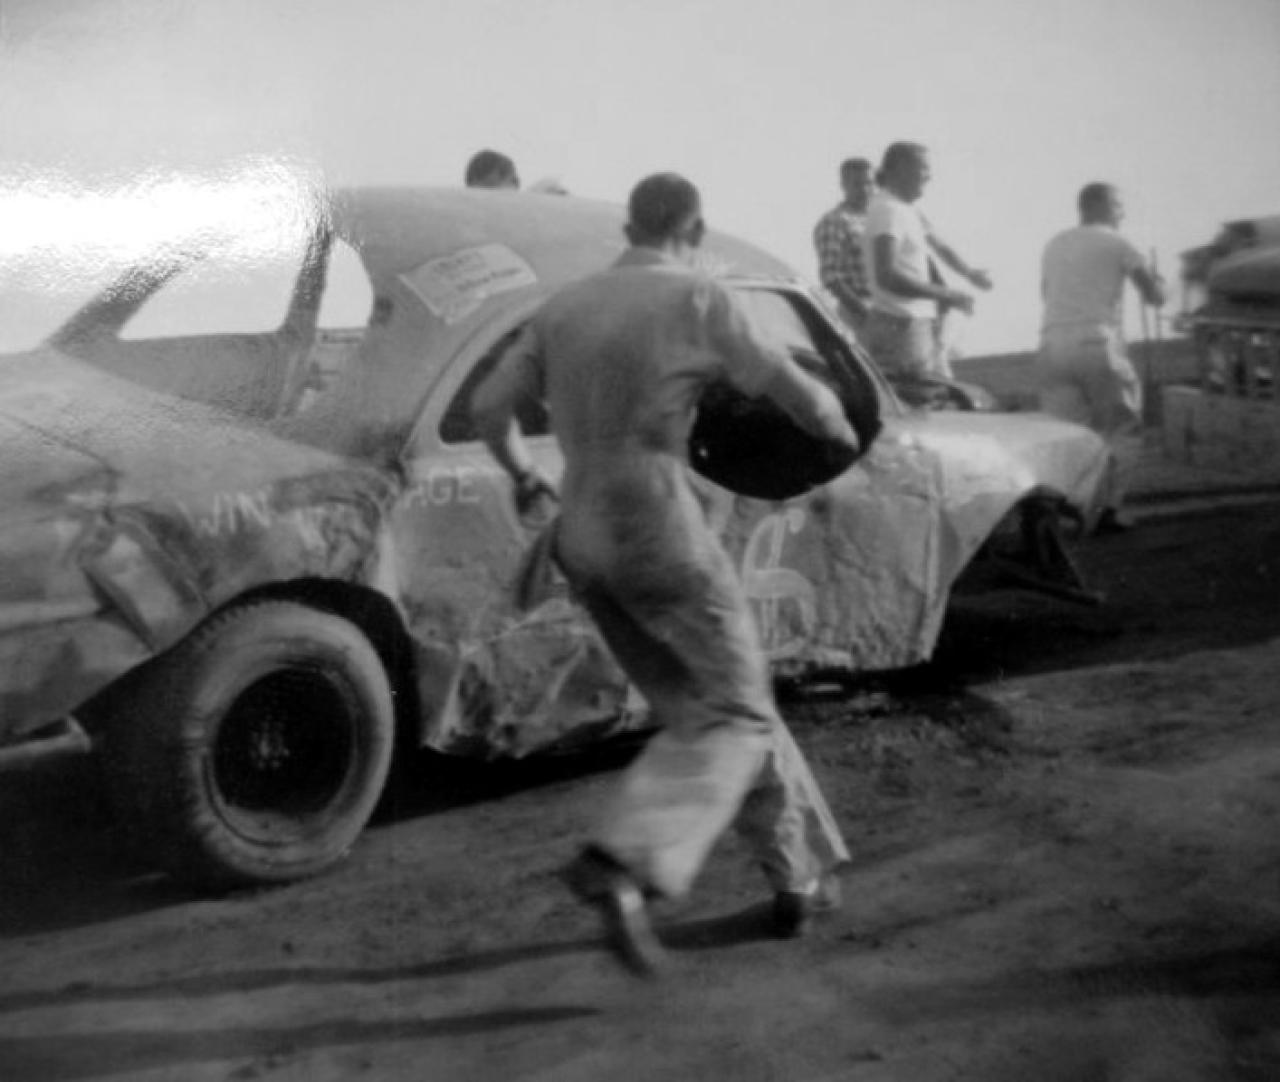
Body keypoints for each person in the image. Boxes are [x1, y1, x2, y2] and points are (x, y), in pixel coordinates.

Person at [471, 173, 856, 977]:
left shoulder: (564, 308)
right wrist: (841, 435)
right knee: (737, 716)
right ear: (697, 228)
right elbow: (808, 403)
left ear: (628, 227)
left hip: (581, 532)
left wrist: (523, 473)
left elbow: (487, 410)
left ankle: (796, 879)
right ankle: (626, 859)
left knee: (718, 714)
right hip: (658, 526)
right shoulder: (699, 296)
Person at [1038, 182, 1167, 533]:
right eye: (1119, 206)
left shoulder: (1055, 244)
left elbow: (1046, 294)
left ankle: (1068, 506)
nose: (1123, 213)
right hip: (1096, 340)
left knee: (1067, 432)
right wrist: (1159, 281)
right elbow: (1155, 296)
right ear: (1102, 206)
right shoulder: (1118, 242)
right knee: (1121, 427)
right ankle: (1107, 509)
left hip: (1052, 343)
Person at [865, 142, 992, 393]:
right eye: (923, 168)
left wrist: (969, 273)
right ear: (900, 169)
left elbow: (939, 244)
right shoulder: (888, 210)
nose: (929, 176)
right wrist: (947, 294)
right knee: (917, 401)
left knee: (922, 399)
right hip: (901, 326)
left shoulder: (906, 209)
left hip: (908, 325)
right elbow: (886, 276)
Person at [812, 158, 875, 334]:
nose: (865, 190)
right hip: (859, 310)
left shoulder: (879, 220)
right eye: (857, 184)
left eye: (869, 183)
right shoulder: (835, 222)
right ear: (844, 185)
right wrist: (864, 312)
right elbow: (830, 277)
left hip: (889, 308)